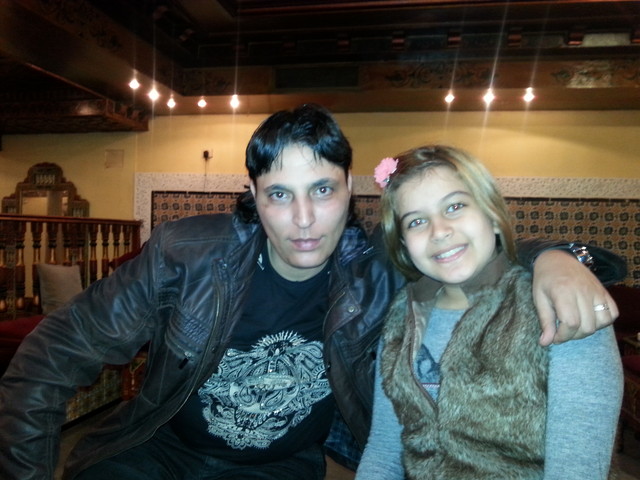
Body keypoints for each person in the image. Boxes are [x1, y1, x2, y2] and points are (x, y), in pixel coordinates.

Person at [0, 105, 623, 480]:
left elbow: (468, 248)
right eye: (280, 195)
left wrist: (556, 258)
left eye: (322, 190)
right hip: (155, 450)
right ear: (253, 196)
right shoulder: (185, 254)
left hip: (278, 468)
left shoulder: (382, 270)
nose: (303, 220)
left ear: (350, 189)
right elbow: (49, 359)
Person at [355, 145, 623, 480]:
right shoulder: (400, 316)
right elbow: (383, 451)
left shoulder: (561, 304)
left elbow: (577, 470)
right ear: (403, 244)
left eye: (455, 206)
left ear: (492, 215)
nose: (439, 231)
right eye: (417, 221)